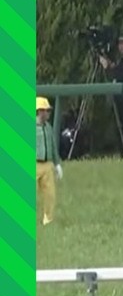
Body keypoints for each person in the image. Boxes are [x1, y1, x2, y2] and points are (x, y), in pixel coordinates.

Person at [98, 35, 123, 157]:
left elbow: (121, 75)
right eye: (120, 44)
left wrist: (108, 68)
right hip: (120, 98)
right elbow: (118, 69)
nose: (121, 46)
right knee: (120, 125)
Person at [36, 97, 63, 227]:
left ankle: (48, 218)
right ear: (39, 111)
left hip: (47, 164)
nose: (47, 113)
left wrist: (57, 164)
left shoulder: (48, 128)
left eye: (48, 111)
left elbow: (53, 146)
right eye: (45, 110)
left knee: (50, 194)